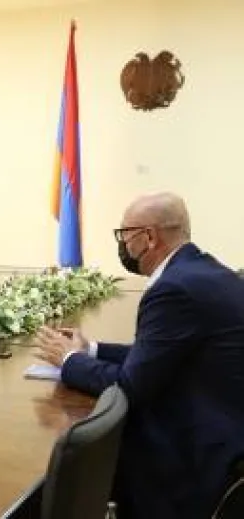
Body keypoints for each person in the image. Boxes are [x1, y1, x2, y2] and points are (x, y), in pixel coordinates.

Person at [35, 192, 244, 519]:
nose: (122, 245)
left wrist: (70, 361)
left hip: (199, 456)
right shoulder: (202, 271)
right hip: (228, 430)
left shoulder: (174, 289)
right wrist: (91, 350)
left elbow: (131, 386)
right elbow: (159, 355)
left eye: (124, 235)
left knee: (88, 450)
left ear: (149, 238)